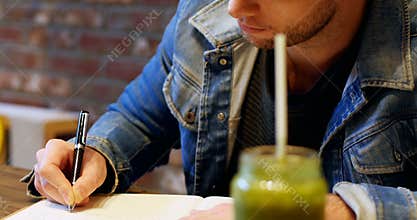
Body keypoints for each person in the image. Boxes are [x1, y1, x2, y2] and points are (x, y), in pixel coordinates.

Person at [21, 0, 417, 219]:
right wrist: (96, 155)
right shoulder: (204, 16)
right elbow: (139, 119)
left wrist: (337, 214)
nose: (234, 7)